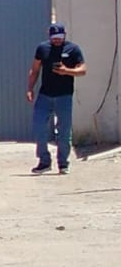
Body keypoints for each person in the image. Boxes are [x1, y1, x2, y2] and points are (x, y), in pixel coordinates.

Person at [26, 22, 87, 174]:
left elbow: (83, 70)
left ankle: (63, 163)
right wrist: (30, 89)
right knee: (39, 126)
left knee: (64, 131)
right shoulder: (42, 48)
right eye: (54, 38)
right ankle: (44, 161)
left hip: (64, 96)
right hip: (45, 94)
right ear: (50, 36)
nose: (57, 40)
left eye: (59, 37)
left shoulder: (73, 49)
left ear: (64, 35)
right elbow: (34, 70)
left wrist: (67, 71)